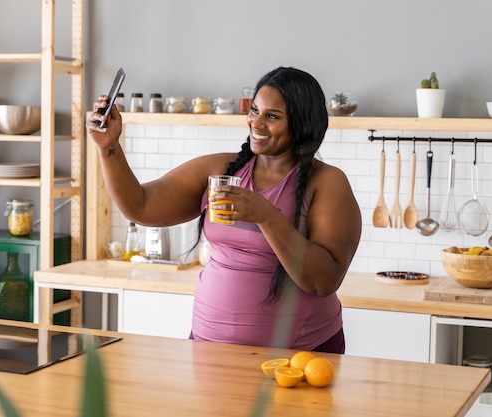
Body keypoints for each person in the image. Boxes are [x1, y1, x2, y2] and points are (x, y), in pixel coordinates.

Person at [86, 66, 361, 353]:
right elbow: (140, 206)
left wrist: (266, 216)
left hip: (297, 356)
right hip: (210, 348)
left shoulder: (328, 182)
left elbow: (323, 281)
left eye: (272, 116)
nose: (256, 123)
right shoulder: (219, 170)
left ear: (302, 123)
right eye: (254, 110)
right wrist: (109, 147)